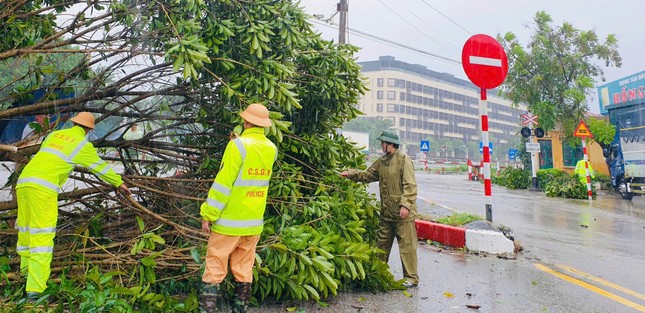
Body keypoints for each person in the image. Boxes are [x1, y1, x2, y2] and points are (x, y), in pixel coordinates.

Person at [15, 112, 132, 299]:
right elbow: (99, 167)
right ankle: (35, 291)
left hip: (23, 183)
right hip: (42, 189)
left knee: (26, 233)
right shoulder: (81, 145)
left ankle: (22, 277)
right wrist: (119, 183)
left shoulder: (54, 135)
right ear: (88, 130)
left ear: (73, 123)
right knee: (42, 240)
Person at [199, 103, 277, 312]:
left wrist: (208, 214)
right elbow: (252, 173)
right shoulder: (271, 149)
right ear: (264, 125)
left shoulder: (237, 146)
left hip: (228, 223)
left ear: (246, 121)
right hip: (253, 224)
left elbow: (223, 185)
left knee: (215, 268)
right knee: (243, 270)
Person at [340, 130, 419, 288]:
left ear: (391, 144)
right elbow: (367, 175)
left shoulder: (404, 159)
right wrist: (350, 174)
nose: (382, 145)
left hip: (402, 213)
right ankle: (377, 274)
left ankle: (411, 278)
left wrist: (406, 205)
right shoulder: (382, 161)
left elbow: (410, 185)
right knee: (381, 245)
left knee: (407, 246)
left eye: (384, 143)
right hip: (387, 213)